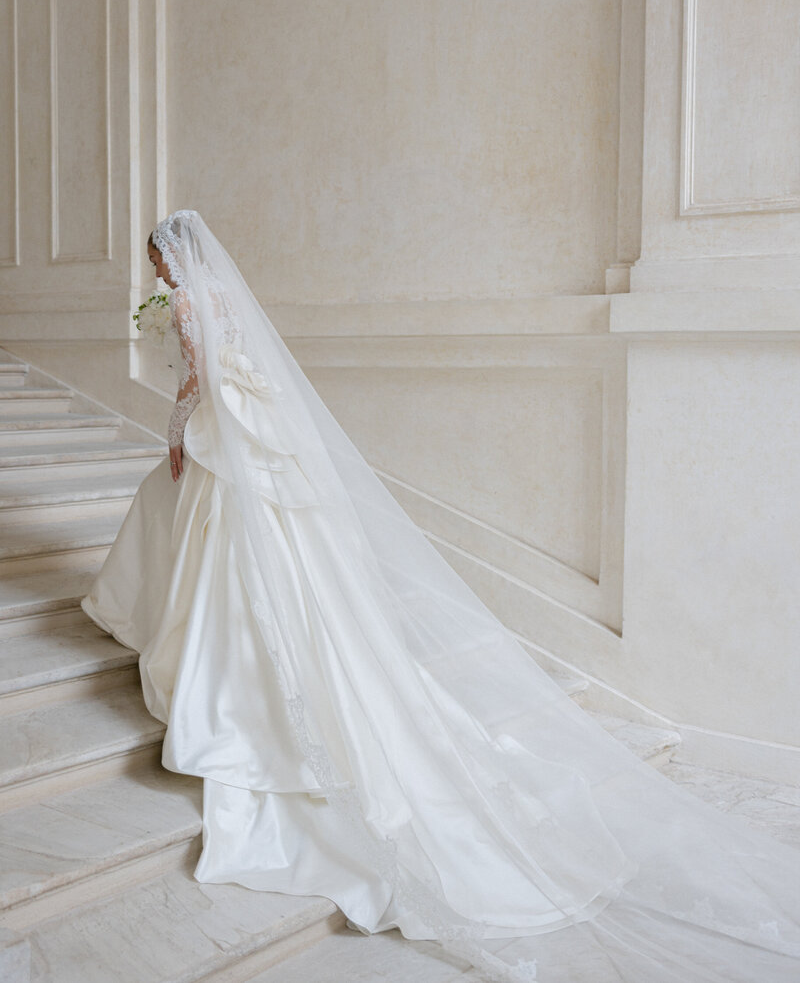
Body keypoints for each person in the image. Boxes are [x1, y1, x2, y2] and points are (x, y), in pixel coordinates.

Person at [81, 209, 800, 983]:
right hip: (258, 437)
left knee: (205, 537)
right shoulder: (222, 300)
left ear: (171, 262)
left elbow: (198, 379)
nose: (158, 274)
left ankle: (208, 672)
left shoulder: (190, 306)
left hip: (227, 435)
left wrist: (177, 429)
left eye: (158, 263)